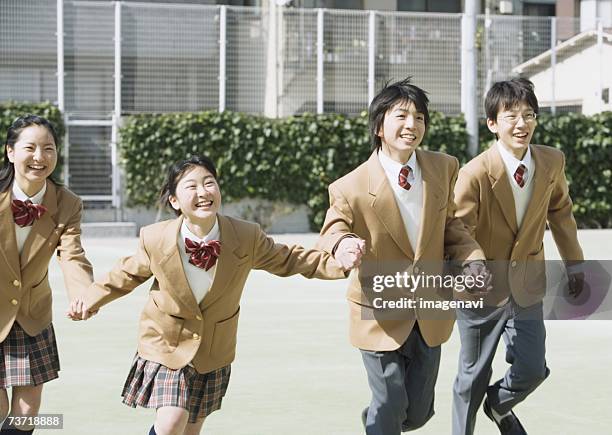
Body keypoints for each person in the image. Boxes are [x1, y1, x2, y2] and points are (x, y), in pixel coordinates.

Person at [68, 154, 359, 435]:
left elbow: (289, 258)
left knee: (191, 430)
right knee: (171, 422)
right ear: (174, 200)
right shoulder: (155, 238)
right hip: (166, 342)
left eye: (209, 183)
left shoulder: (245, 236)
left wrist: (337, 262)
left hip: (214, 348)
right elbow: (125, 275)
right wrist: (90, 299)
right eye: (191, 186)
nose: (203, 192)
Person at [316, 77, 489, 435]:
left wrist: (473, 258)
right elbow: (332, 230)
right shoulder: (350, 186)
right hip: (377, 311)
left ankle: (376, 421)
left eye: (420, 118)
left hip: (430, 308)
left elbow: (452, 226)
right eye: (402, 116)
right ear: (379, 125)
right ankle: (381, 419)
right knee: (392, 402)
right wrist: (343, 244)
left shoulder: (444, 168)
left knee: (418, 413)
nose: (412, 125)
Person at [452, 78, 585, 435]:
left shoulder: (552, 161)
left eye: (529, 115)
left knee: (532, 368)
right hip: (480, 290)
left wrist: (575, 267)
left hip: (526, 284)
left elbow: (561, 213)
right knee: (472, 376)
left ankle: (498, 405)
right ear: (493, 124)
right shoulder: (474, 173)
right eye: (510, 116)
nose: (521, 123)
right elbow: (458, 231)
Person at [0, 115, 94, 434]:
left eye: (48, 148)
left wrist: (84, 293)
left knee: (26, 412)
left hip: (31, 313)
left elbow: (72, 253)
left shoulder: (67, 203)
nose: (40, 157)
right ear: (10, 152)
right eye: (30, 148)